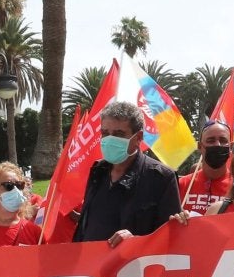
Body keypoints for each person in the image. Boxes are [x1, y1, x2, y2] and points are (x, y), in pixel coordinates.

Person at [73, 102, 180, 248]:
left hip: (133, 261)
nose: (110, 140)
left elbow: (170, 238)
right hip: (90, 260)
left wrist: (135, 241)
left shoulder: (161, 178)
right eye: (105, 133)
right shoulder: (98, 171)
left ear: (138, 137)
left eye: (119, 134)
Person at [177, 122, 233, 216]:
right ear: (200, 146)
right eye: (211, 140)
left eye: (223, 140)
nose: (217, 144)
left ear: (231, 147)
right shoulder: (181, 185)